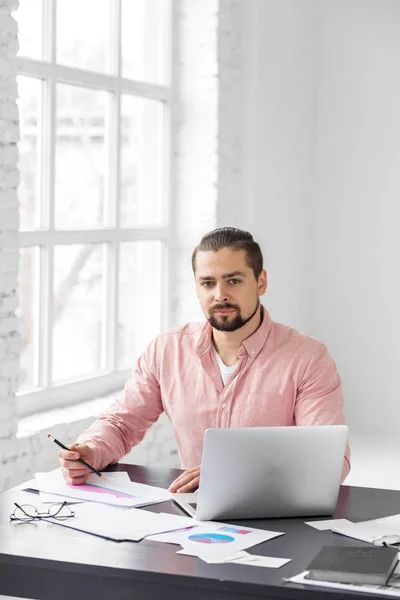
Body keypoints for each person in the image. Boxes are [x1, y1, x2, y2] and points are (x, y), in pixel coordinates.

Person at [59, 227, 351, 492]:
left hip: (277, 509)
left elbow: (330, 461)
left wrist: (235, 472)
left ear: (261, 282)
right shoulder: (166, 351)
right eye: (208, 283)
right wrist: (91, 450)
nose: (220, 295)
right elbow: (122, 424)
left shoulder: (308, 358)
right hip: (193, 514)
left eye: (233, 281)